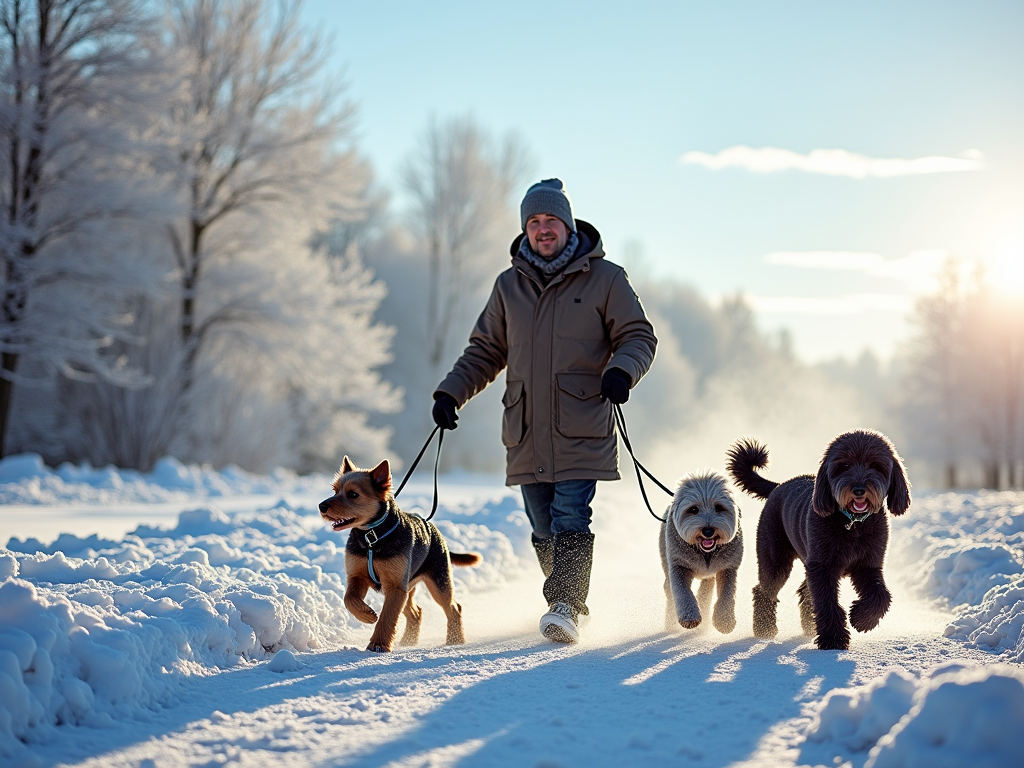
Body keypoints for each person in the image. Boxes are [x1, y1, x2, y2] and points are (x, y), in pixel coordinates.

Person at [431, 178, 657, 643]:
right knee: (542, 526)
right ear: (525, 229)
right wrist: (450, 393)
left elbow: (638, 336)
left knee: (572, 516)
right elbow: (485, 351)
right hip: (526, 428)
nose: (542, 228)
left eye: (550, 219)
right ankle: (566, 598)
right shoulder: (508, 286)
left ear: (567, 224)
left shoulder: (606, 278)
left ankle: (566, 605)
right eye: (533, 222)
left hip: (582, 422)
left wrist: (621, 371)